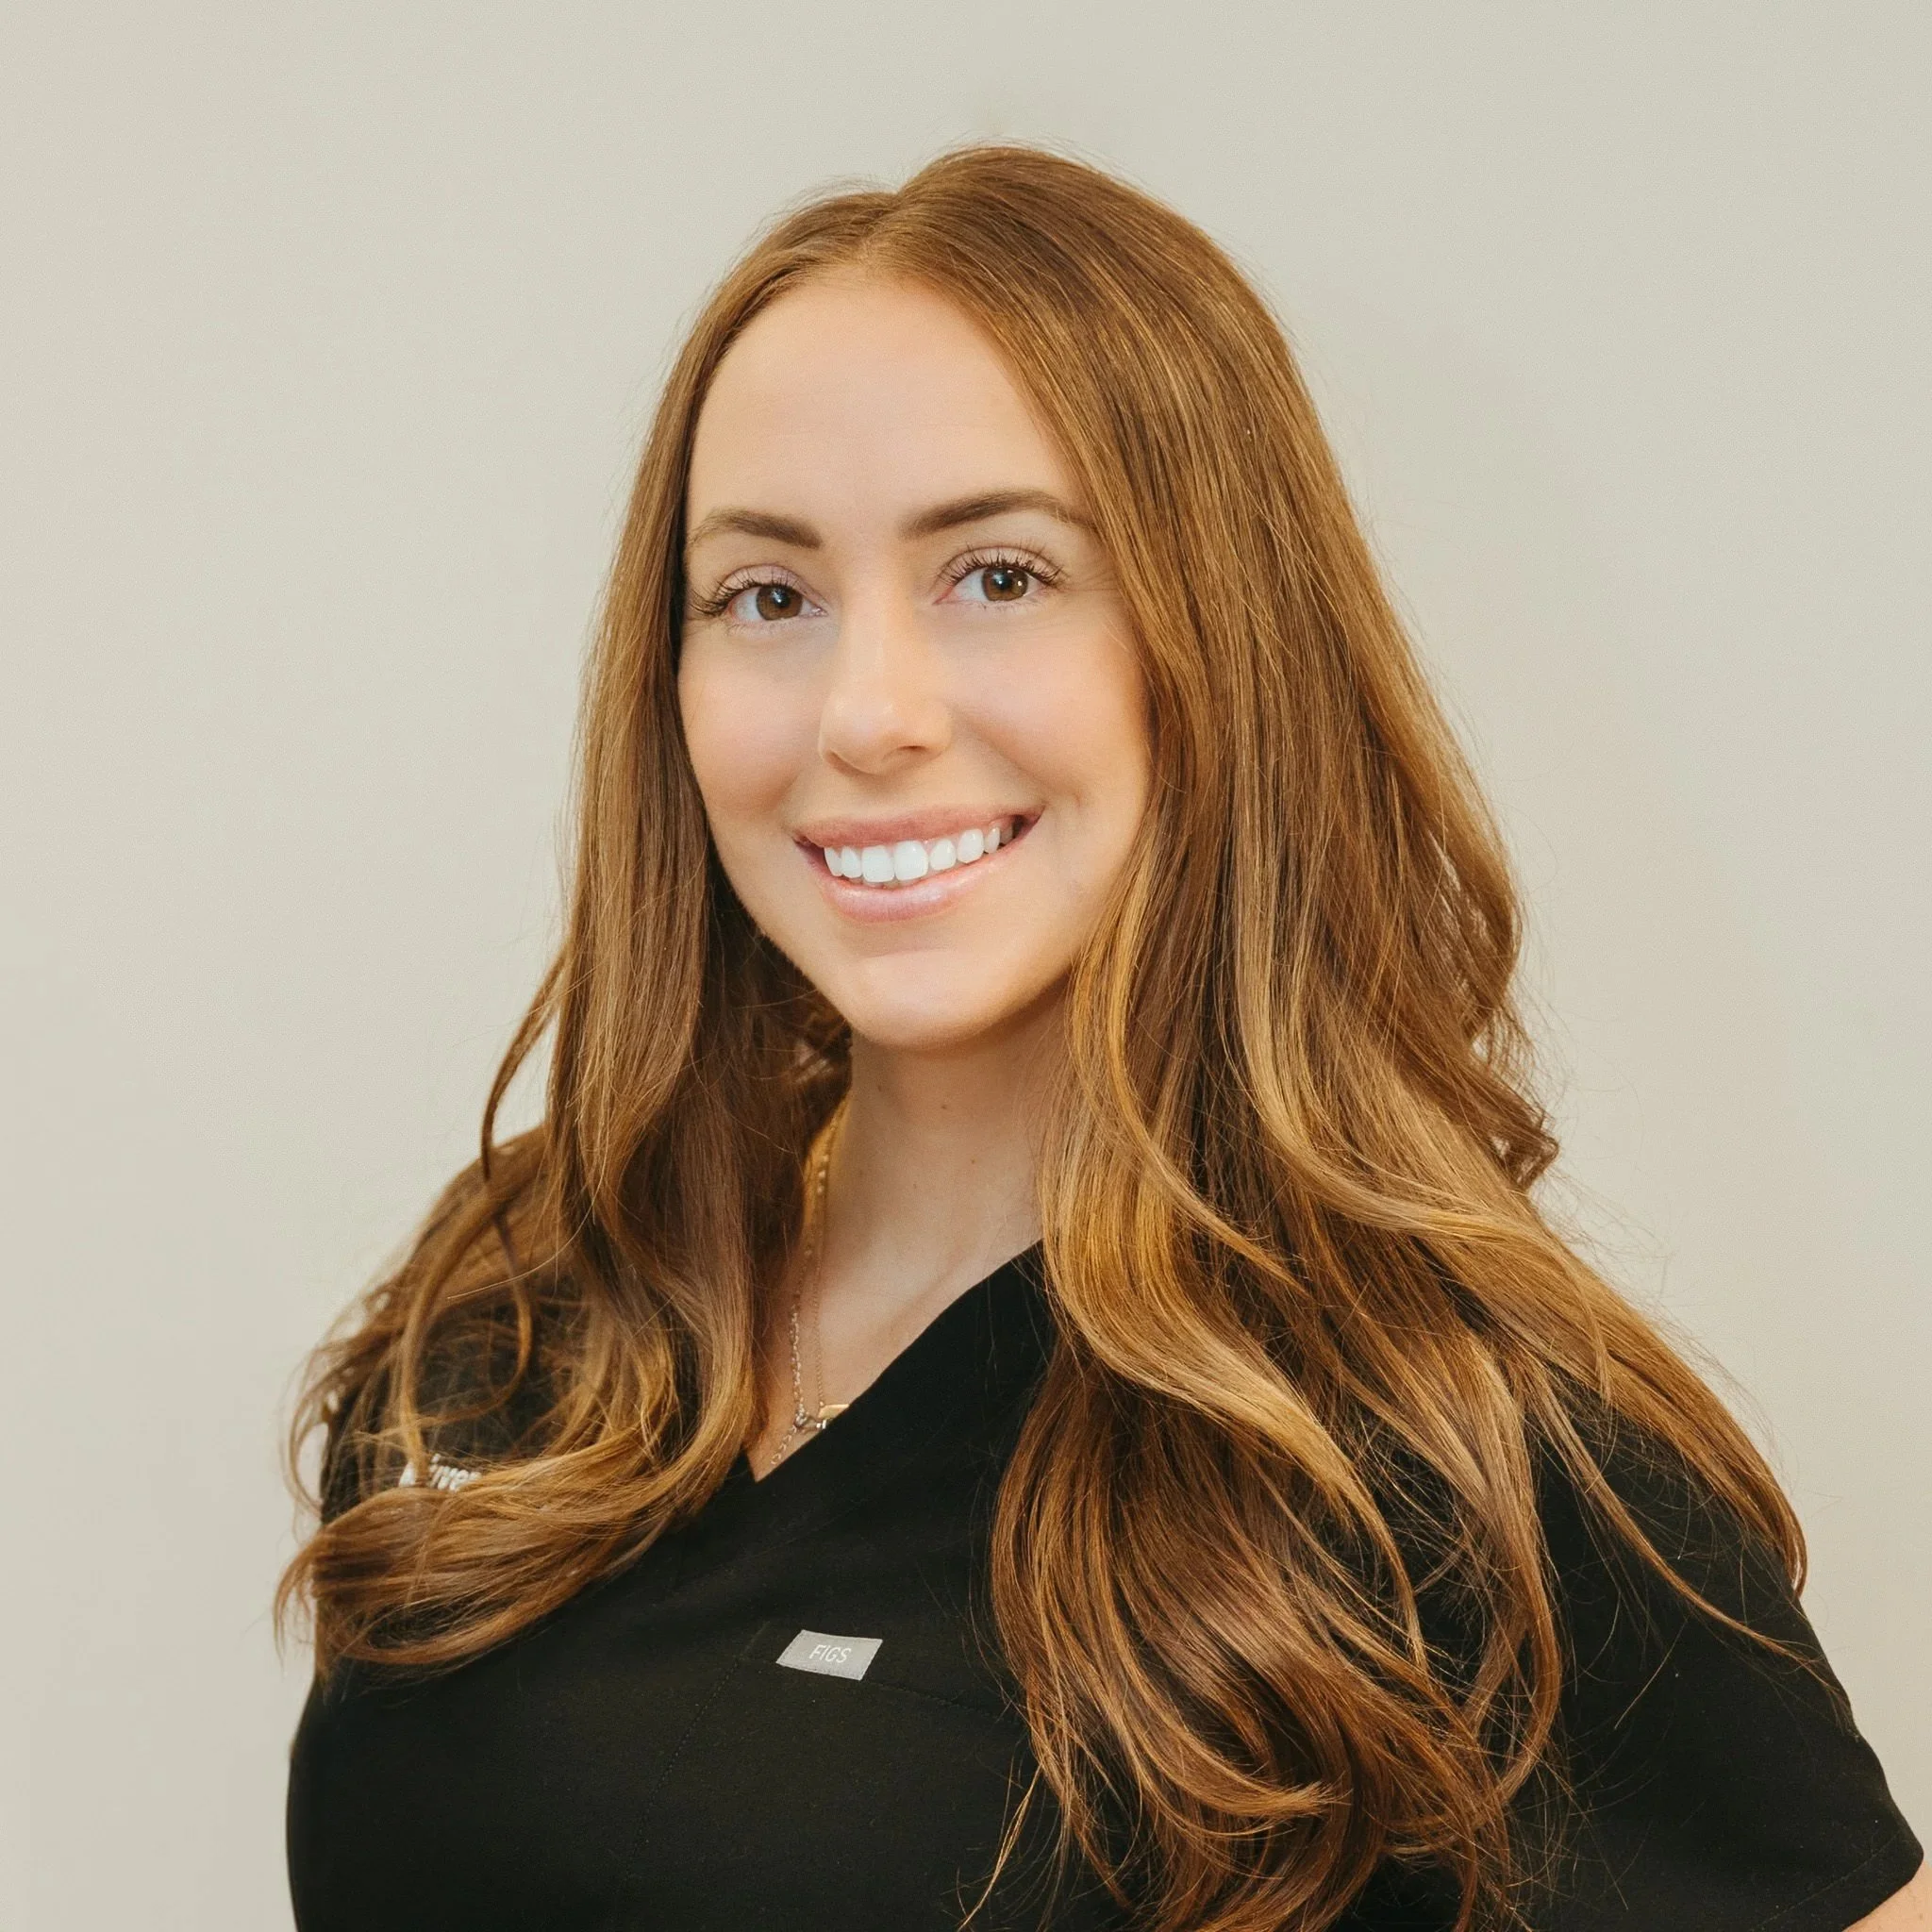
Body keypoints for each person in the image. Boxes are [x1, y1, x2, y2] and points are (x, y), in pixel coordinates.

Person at [279, 144, 1925, 1932]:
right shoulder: (524, 1311)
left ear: (1211, 643)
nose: (868, 713)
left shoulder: (1460, 1466)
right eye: (769, 594)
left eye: (997, 574)